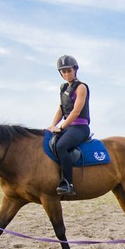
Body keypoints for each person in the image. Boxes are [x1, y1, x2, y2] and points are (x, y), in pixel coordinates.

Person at [47, 55, 91, 196]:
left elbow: (76, 111)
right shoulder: (64, 87)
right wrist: (52, 125)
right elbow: (61, 109)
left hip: (80, 127)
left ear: (75, 70)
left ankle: (68, 183)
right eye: (63, 71)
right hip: (68, 127)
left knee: (61, 146)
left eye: (69, 71)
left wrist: (61, 127)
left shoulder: (81, 87)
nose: (66, 74)